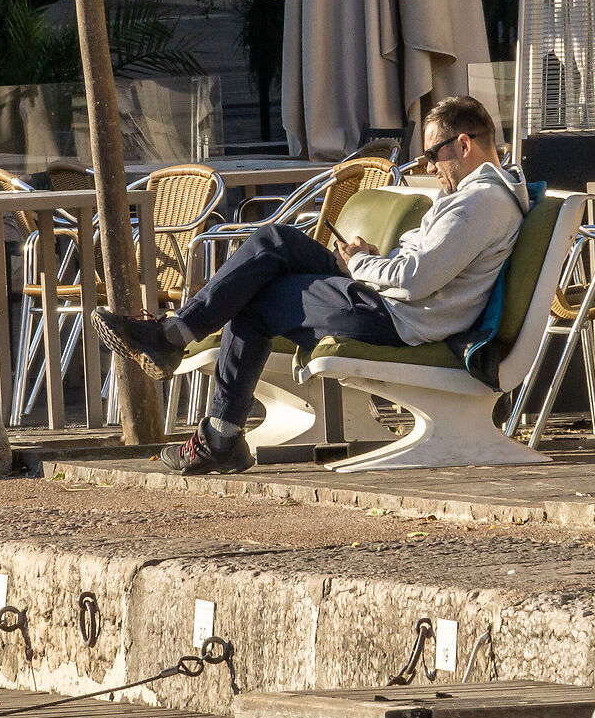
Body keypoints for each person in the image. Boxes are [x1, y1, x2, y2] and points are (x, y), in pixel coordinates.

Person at [92, 96, 528, 474]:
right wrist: (373, 259)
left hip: (397, 317)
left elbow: (414, 281)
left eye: (433, 154)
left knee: (257, 300)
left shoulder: (478, 203)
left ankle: (212, 418)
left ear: (464, 145)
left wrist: (360, 263)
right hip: (387, 298)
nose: (429, 166)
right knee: (274, 241)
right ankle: (177, 343)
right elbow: (419, 267)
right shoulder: (477, 199)